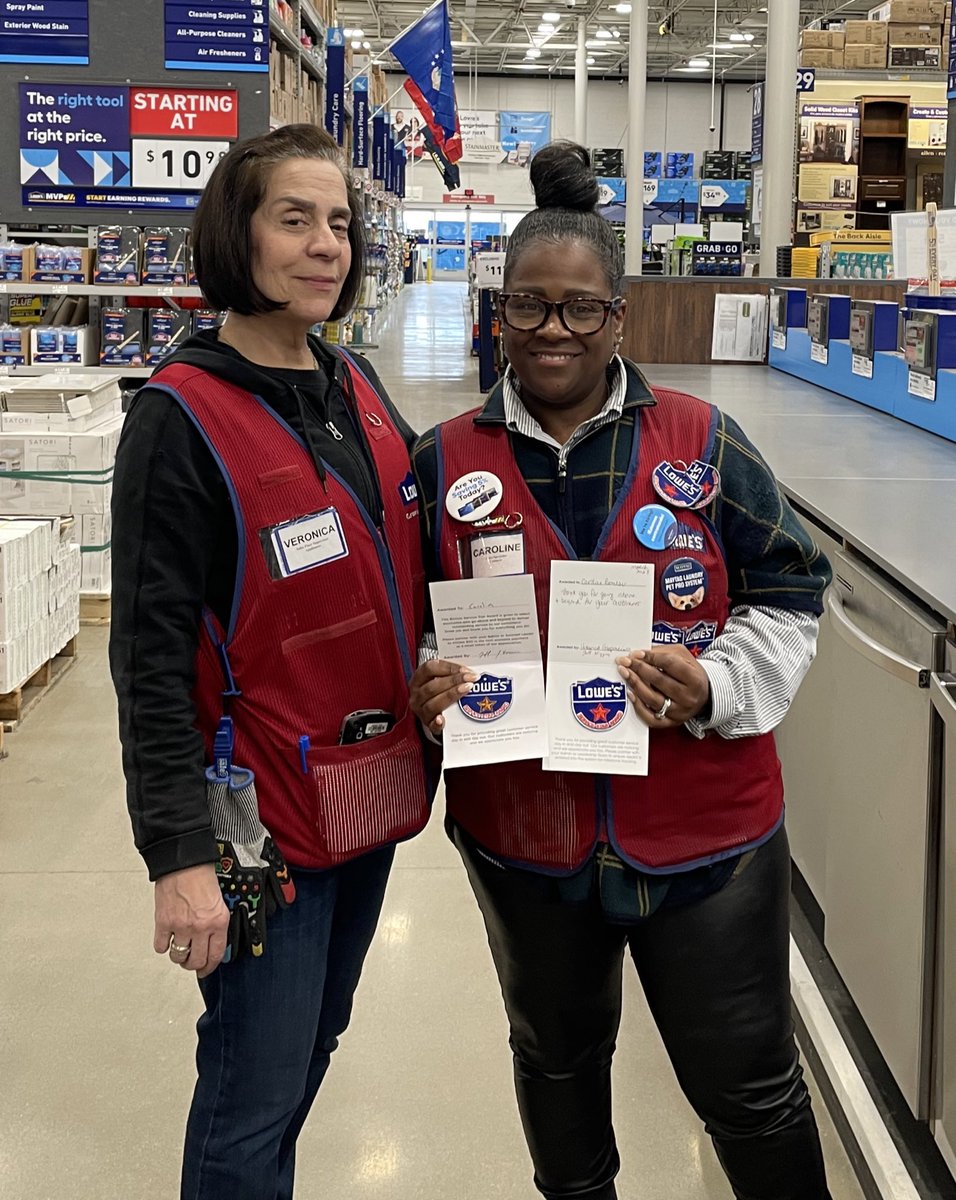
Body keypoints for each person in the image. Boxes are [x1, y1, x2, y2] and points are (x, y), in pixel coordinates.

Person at [410, 141, 834, 1200]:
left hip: (706, 841)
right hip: (524, 835)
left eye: (579, 310)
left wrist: (715, 686)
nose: (552, 331)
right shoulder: (440, 459)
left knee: (748, 1089)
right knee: (555, 1069)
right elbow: (402, 620)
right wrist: (425, 685)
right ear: (496, 313)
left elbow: (789, 590)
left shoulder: (703, 442)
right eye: (527, 307)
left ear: (618, 320)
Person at [110, 124, 435, 1200]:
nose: (324, 245)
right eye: (292, 220)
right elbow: (149, 658)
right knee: (252, 1084)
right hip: (254, 827)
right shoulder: (180, 417)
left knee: (307, 1053)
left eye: (338, 223)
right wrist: (176, 858)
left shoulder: (356, 387)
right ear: (233, 236)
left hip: (364, 794)